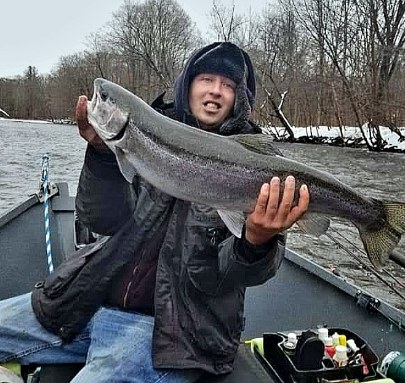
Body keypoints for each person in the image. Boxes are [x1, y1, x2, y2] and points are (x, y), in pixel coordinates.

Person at [0, 42, 309, 382]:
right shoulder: (142, 136)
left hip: (168, 335)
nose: (216, 91)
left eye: (230, 85)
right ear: (188, 83)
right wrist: (103, 155)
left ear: (240, 100)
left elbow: (226, 278)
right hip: (87, 301)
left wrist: (256, 241)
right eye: (207, 78)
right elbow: (100, 219)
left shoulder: (258, 170)